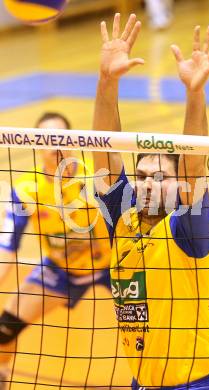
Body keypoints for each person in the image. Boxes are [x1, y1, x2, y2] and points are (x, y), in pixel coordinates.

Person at [93, 13, 209, 389]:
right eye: (142, 177)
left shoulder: (188, 231)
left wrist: (195, 95)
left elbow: (195, 166)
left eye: (162, 178)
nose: (150, 185)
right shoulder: (123, 221)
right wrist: (106, 82)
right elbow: (104, 152)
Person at [0, 112, 111, 389]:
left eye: (62, 137)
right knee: (4, 329)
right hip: (61, 270)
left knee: (164, 316)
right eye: (47, 140)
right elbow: (7, 247)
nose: (56, 145)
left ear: (73, 141)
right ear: (37, 146)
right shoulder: (27, 189)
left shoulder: (96, 178)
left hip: (113, 266)